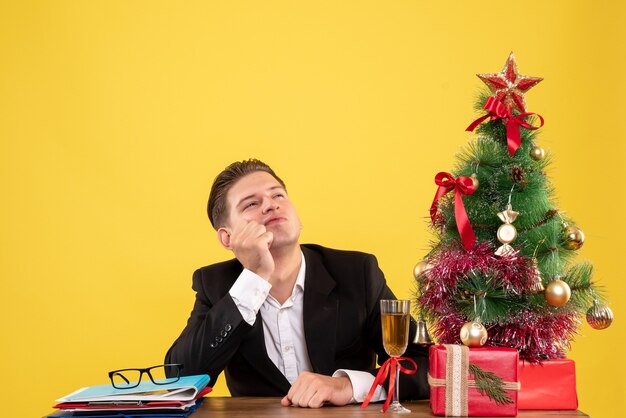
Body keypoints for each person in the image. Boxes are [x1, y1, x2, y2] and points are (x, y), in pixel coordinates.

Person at [165, 159, 429, 408]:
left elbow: (424, 364)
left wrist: (348, 386)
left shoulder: (357, 272)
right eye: (250, 204)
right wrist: (253, 278)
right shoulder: (216, 284)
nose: (270, 205)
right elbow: (181, 379)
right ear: (227, 238)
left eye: (277, 195)